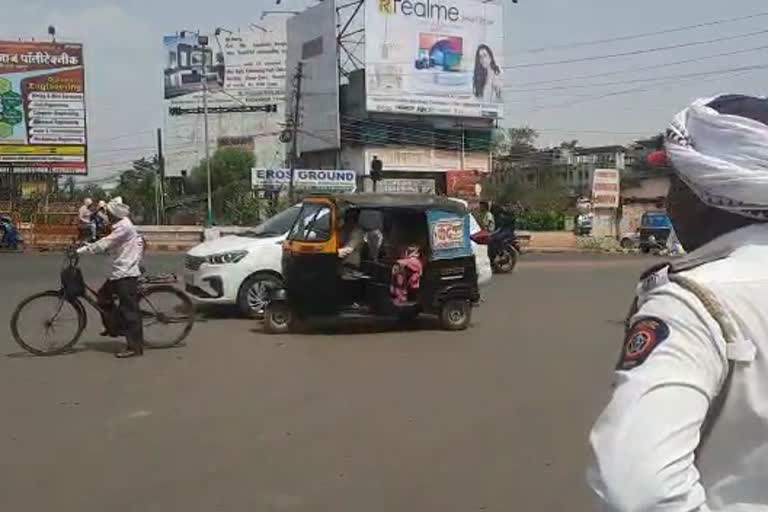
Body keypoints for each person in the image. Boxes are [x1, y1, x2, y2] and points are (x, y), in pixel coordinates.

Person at [587, 94, 768, 511]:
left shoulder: (694, 302)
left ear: (706, 190)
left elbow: (638, 490)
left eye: (675, 184)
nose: (668, 203)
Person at [77, 197, 145, 358]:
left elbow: (105, 243)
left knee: (129, 311)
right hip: (118, 271)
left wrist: (82, 251)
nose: (105, 214)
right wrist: (87, 246)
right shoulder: (119, 225)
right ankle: (114, 326)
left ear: (114, 214)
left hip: (125, 273)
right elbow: (106, 243)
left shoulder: (124, 228)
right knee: (103, 296)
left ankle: (134, 347)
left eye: (107, 212)